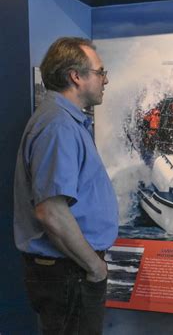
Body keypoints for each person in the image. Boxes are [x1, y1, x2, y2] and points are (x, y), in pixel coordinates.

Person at [13, 37, 118, 334]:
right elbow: (51, 212)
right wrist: (94, 267)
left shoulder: (64, 122)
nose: (105, 80)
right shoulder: (58, 126)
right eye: (100, 72)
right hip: (70, 271)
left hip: (70, 270)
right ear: (76, 76)